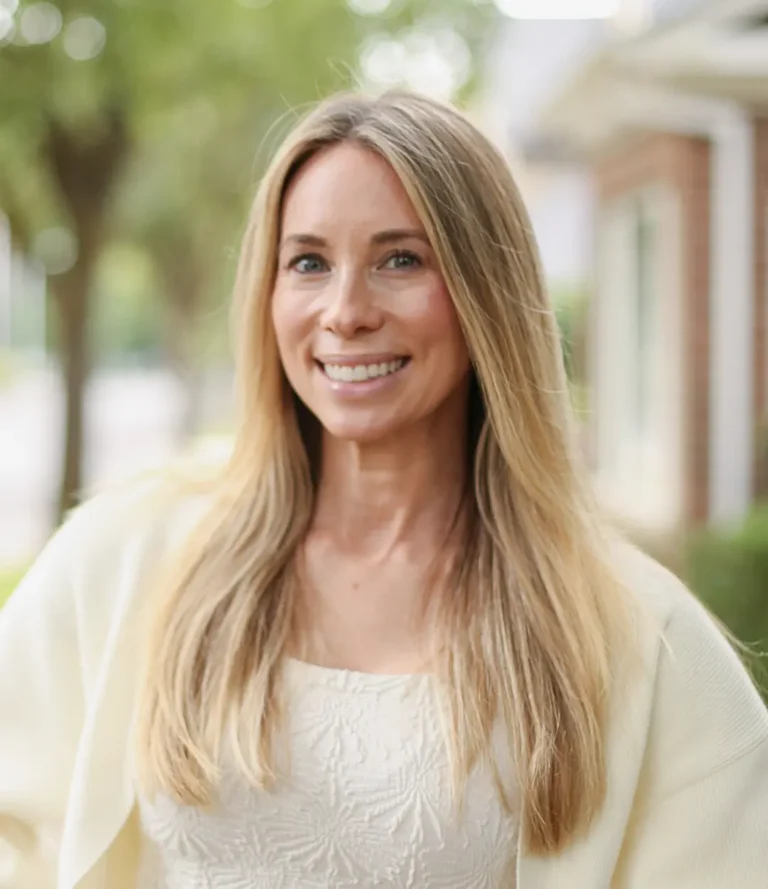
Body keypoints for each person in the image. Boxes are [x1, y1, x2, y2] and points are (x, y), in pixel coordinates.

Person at [1, 90, 766, 889]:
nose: (345, 312)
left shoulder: (640, 635)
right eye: (308, 262)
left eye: (400, 259)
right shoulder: (130, 555)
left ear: (485, 294)